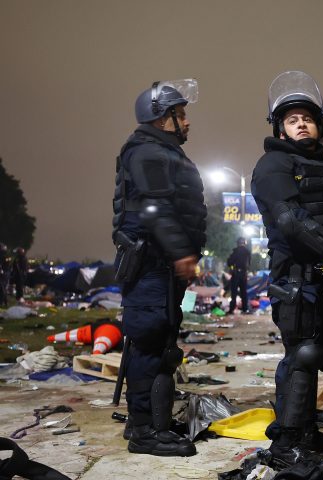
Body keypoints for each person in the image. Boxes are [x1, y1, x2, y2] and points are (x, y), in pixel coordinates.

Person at [251, 71, 323, 466]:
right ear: (280, 127)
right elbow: (289, 219)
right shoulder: (273, 165)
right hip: (296, 279)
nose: (301, 123)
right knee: (303, 354)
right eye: (293, 119)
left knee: (322, 351)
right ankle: (287, 445)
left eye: (308, 118)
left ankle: (306, 432)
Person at [111, 79, 206, 456]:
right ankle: (146, 433)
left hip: (161, 266)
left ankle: (144, 421)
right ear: (162, 119)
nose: (186, 122)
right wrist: (182, 251)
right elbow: (154, 207)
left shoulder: (162, 153)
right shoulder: (147, 153)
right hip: (151, 264)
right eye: (180, 115)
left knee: (159, 343)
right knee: (151, 344)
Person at [226, 237, 251, 314]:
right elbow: (249, 263)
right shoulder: (247, 252)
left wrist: (232, 266)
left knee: (234, 292)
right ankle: (245, 309)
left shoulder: (235, 251)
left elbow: (229, 262)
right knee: (244, 292)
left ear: (238, 243)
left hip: (236, 273)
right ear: (244, 243)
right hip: (244, 274)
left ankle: (232, 309)